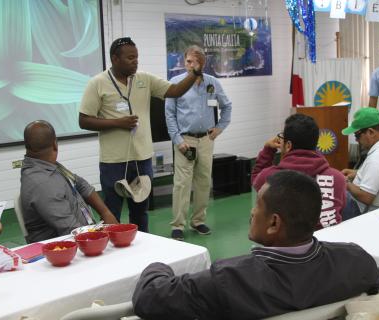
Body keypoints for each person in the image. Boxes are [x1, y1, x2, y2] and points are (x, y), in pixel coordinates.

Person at [132, 170, 379, 320]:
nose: (252, 212)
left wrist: (158, 264)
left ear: (274, 223)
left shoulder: (230, 280)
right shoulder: (356, 261)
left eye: (257, 205)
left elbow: (149, 298)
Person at [79, 37, 203, 232]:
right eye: (130, 58)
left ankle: (142, 250)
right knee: (113, 212)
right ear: (115, 59)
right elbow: (84, 120)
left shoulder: (144, 79)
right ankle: (114, 255)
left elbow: (176, 90)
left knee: (140, 212)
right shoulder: (97, 83)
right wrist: (117, 123)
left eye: (136, 57)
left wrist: (195, 73)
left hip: (142, 159)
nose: (135, 61)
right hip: (114, 162)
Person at [165, 45, 232, 240]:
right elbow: (169, 115)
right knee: (182, 184)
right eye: (188, 61)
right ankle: (178, 224)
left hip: (205, 139)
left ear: (203, 63)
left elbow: (227, 106)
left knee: (203, 182)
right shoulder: (175, 83)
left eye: (195, 61)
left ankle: (198, 221)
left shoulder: (212, 83)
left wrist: (219, 128)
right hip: (184, 140)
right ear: (184, 62)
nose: (191, 65)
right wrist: (177, 140)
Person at [20, 120, 118, 244]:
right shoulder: (41, 183)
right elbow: (71, 230)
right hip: (65, 248)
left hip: (82, 236)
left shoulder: (48, 165)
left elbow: (80, 183)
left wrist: (105, 212)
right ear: (55, 144)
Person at [252, 113, 346, 228]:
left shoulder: (271, 177)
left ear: (288, 145)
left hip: (288, 244)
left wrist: (267, 150)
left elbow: (256, 180)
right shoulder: (337, 178)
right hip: (328, 242)